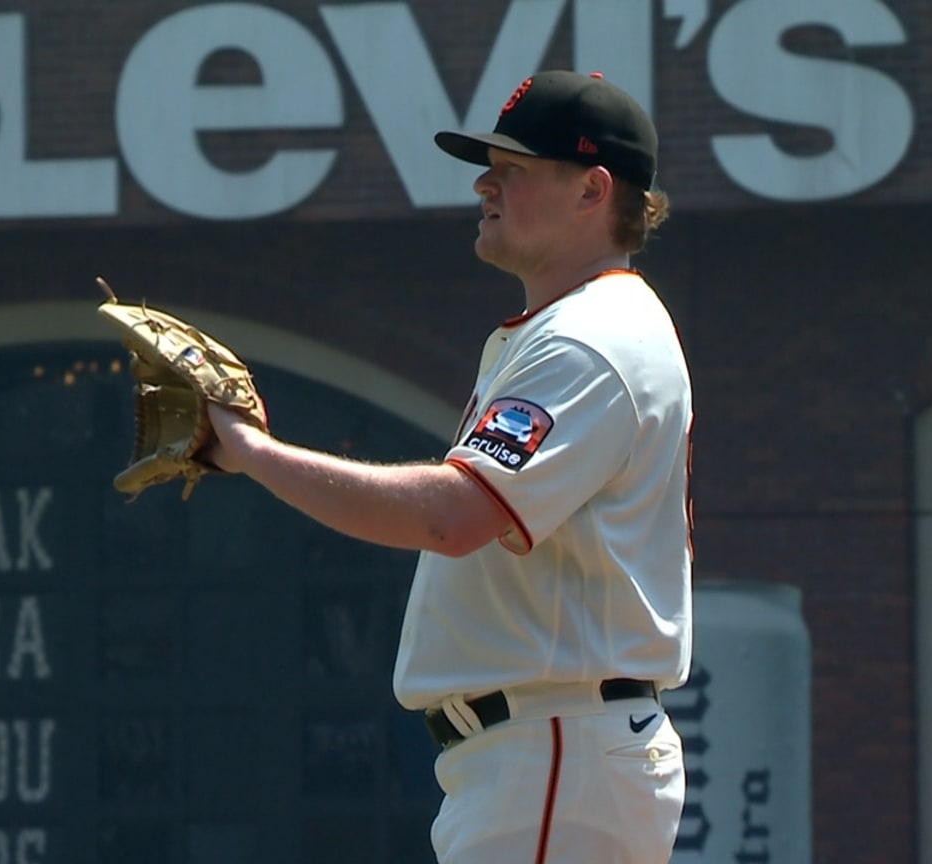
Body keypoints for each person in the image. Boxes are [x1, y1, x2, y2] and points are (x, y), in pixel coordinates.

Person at [205, 69, 692, 864]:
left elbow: (451, 517)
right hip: (543, 752)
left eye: (515, 169)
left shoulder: (592, 339)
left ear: (593, 190)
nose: (485, 184)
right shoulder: (559, 330)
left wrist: (251, 450)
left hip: (555, 746)